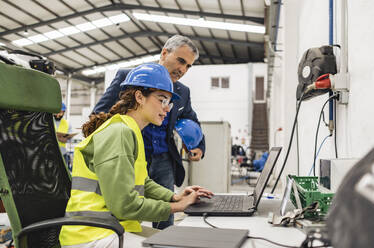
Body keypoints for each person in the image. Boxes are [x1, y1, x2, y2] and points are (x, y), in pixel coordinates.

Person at [59, 64, 212, 248]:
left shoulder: (129, 130)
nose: (167, 109)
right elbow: (125, 206)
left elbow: (142, 182)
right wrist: (178, 207)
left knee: (180, 241)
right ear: (139, 97)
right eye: (162, 100)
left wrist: (175, 197)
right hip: (91, 235)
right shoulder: (119, 132)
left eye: (169, 103)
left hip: (111, 227)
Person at [92, 35, 205, 229]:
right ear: (164, 53)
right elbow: (100, 113)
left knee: (163, 222)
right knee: (126, 211)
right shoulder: (130, 78)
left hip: (163, 159)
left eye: (188, 66)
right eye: (181, 61)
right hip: (130, 154)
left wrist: (198, 146)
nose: (183, 70)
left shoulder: (182, 92)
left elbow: (191, 118)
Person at [54, 102, 73, 168]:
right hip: (50, 153)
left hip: (63, 154)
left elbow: (70, 138)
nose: (59, 114)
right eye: (58, 112)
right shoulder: (48, 121)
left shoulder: (67, 123)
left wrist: (65, 139)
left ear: (64, 112)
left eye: (61, 112)